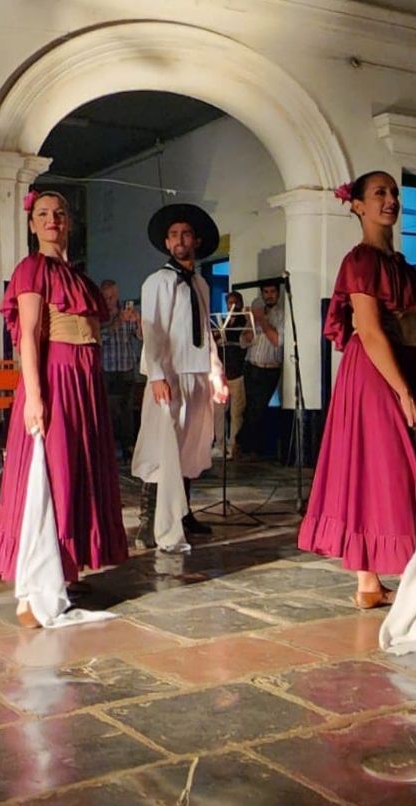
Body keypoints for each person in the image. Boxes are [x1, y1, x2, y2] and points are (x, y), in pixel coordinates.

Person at [297, 170, 416, 608]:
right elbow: (368, 329)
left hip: (405, 363)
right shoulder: (361, 261)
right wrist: (402, 390)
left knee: (385, 466)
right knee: (394, 469)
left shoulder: (399, 265)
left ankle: (368, 582)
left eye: (395, 193)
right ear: (357, 205)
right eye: (379, 193)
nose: (391, 200)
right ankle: (404, 569)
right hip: (378, 371)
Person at [0, 190, 129, 626]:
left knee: (77, 472)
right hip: (57, 381)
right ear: (32, 224)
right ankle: (35, 584)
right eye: (43, 214)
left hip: (85, 384)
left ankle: (64, 566)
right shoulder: (33, 268)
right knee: (51, 475)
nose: (52, 220)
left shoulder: (79, 277)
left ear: (69, 222)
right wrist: (34, 396)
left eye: (60, 214)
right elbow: (28, 336)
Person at [132, 204, 229, 548]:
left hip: (197, 373)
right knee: (161, 446)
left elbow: (204, 329)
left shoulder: (200, 283)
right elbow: (153, 329)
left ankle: (182, 513)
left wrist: (215, 373)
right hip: (169, 376)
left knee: (190, 449)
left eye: (185, 234)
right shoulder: (159, 281)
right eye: (173, 235)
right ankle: (149, 519)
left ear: (197, 240)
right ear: (166, 242)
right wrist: (157, 374)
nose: (179, 240)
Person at [238, 281, 284, 458]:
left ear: (278, 294)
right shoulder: (253, 315)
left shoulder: (281, 315)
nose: (269, 295)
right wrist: (251, 326)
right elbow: (243, 342)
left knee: (259, 409)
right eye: (266, 292)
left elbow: (277, 341)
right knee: (250, 408)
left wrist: (262, 321)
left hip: (270, 369)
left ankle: (247, 446)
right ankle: (248, 448)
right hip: (251, 366)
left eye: (272, 291)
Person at [99, 279, 143, 459]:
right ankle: (108, 446)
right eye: (107, 297)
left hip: (126, 366)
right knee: (108, 410)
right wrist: (115, 323)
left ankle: (128, 446)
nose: (110, 301)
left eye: (113, 297)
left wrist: (138, 320)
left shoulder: (127, 313)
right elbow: (99, 338)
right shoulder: (99, 316)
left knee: (127, 409)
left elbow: (140, 337)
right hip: (108, 368)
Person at [212, 289, 248, 459]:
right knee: (218, 411)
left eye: (235, 303)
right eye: (229, 303)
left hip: (237, 372)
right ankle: (219, 444)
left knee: (236, 412)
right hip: (222, 373)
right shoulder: (222, 322)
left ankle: (233, 445)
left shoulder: (244, 321)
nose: (232, 306)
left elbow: (241, 339)